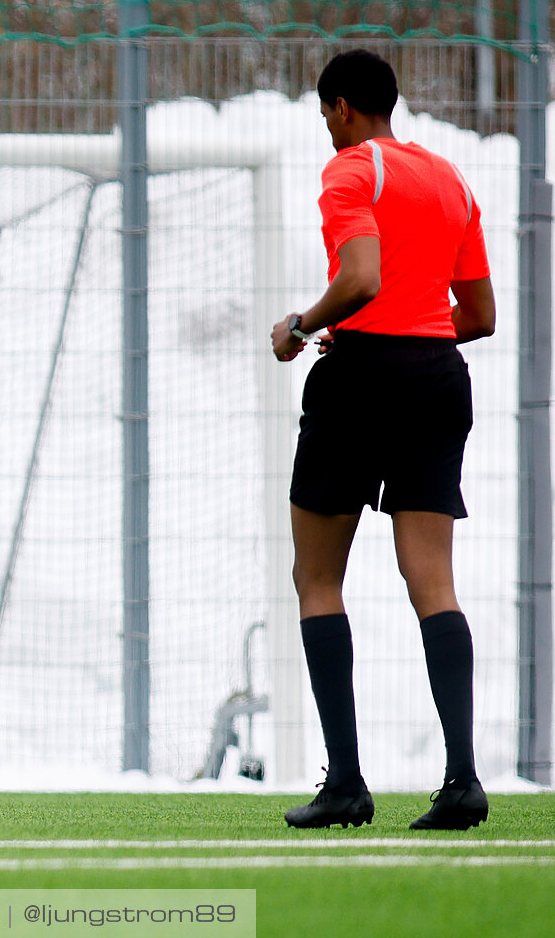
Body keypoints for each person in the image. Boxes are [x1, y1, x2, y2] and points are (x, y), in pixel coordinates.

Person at [270, 49, 494, 831]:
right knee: (433, 582)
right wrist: (414, 334)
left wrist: (302, 326)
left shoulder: (351, 171)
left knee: (317, 578)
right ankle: (462, 779)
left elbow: (360, 279)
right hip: (438, 376)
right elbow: (480, 316)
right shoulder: (448, 179)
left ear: (340, 108)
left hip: (362, 379)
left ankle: (348, 784)